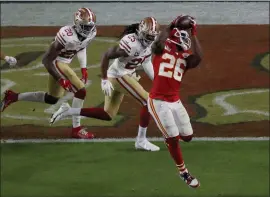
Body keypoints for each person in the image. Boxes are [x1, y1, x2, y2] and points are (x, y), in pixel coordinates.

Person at [50, 17, 160, 151]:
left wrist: (157, 80)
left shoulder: (148, 45)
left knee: (107, 114)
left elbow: (146, 61)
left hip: (125, 74)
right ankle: (141, 140)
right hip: (119, 75)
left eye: (152, 36)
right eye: (148, 36)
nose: (150, 40)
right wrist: (104, 79)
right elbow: (106, 55)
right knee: (148, 102)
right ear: (141, 32)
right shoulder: (131, 44)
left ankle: (69, 111)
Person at [1, 8, 96, 139]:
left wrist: (84, 69)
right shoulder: (66, 34)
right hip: (56, 62)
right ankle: (77, 129)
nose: (87, 30)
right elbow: (46, 60)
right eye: (84, 26)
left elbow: (82, 47)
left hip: (64, 63)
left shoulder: (91, 33)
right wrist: (60, 79)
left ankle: (13, 97)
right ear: (77, 23)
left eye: (89, 27)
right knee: (81, 91)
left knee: (52, 98)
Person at [148, 16, 203, 188]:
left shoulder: (186, 57)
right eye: (183, 38)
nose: (185, 42)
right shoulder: (160, 49)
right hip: (158, 101)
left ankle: (168, 134)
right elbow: (157, 43)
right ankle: (184, 173)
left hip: (175, 100)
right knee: (173, 138)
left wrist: (193, 34)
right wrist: (171, 26)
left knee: (187, 136)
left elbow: (198, 57)